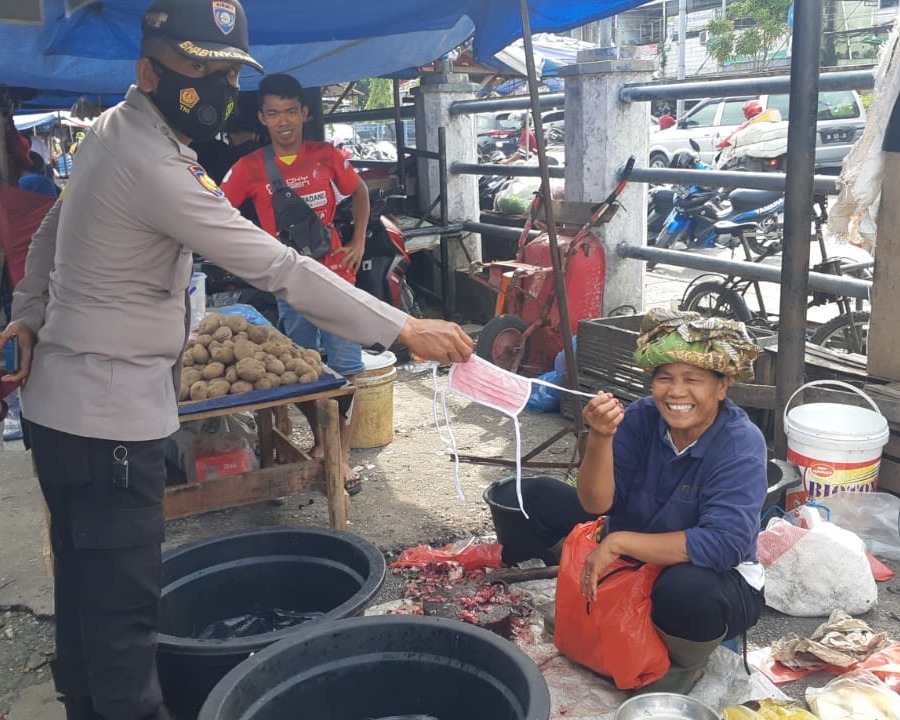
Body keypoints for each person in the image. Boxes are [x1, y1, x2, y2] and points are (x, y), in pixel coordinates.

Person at [0, 1, 472, 718]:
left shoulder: (109, 133)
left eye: (225, 71)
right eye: (197, 68)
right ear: (148, 70)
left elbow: (46, 237)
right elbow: (282, 268)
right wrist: (400, 326)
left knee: (85, 608)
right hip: (108, 430)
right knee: (127, 631)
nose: (216, 86)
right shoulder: (150, 161)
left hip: (63, 417)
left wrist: (26, 316)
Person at [519, 308, 767, 694]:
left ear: (722, 386)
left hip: (709, 575)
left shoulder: (741, 443)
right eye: (665, 378)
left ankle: (680, 667)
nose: (676, 392)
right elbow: (595, 503)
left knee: (686, 591)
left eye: (693, 380)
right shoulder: (642, 417)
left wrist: (617, 543)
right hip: (637, 558)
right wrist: (600, 437)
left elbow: (725, 544)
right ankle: (607, 611)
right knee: (533, 496)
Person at [221, 73, 371, 496]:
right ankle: (322, 441)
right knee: (302, 371)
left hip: (337, 279)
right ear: (262, 119)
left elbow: (359, 192)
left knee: (347, 370)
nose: (283, 121)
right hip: (290, 284)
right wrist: (251, 258)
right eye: (273, 113)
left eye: (291, 111)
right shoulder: (248, 167)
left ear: (304, 113)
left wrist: (358, 241)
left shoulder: (327, 155)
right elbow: (215, 212)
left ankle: (340, 459)